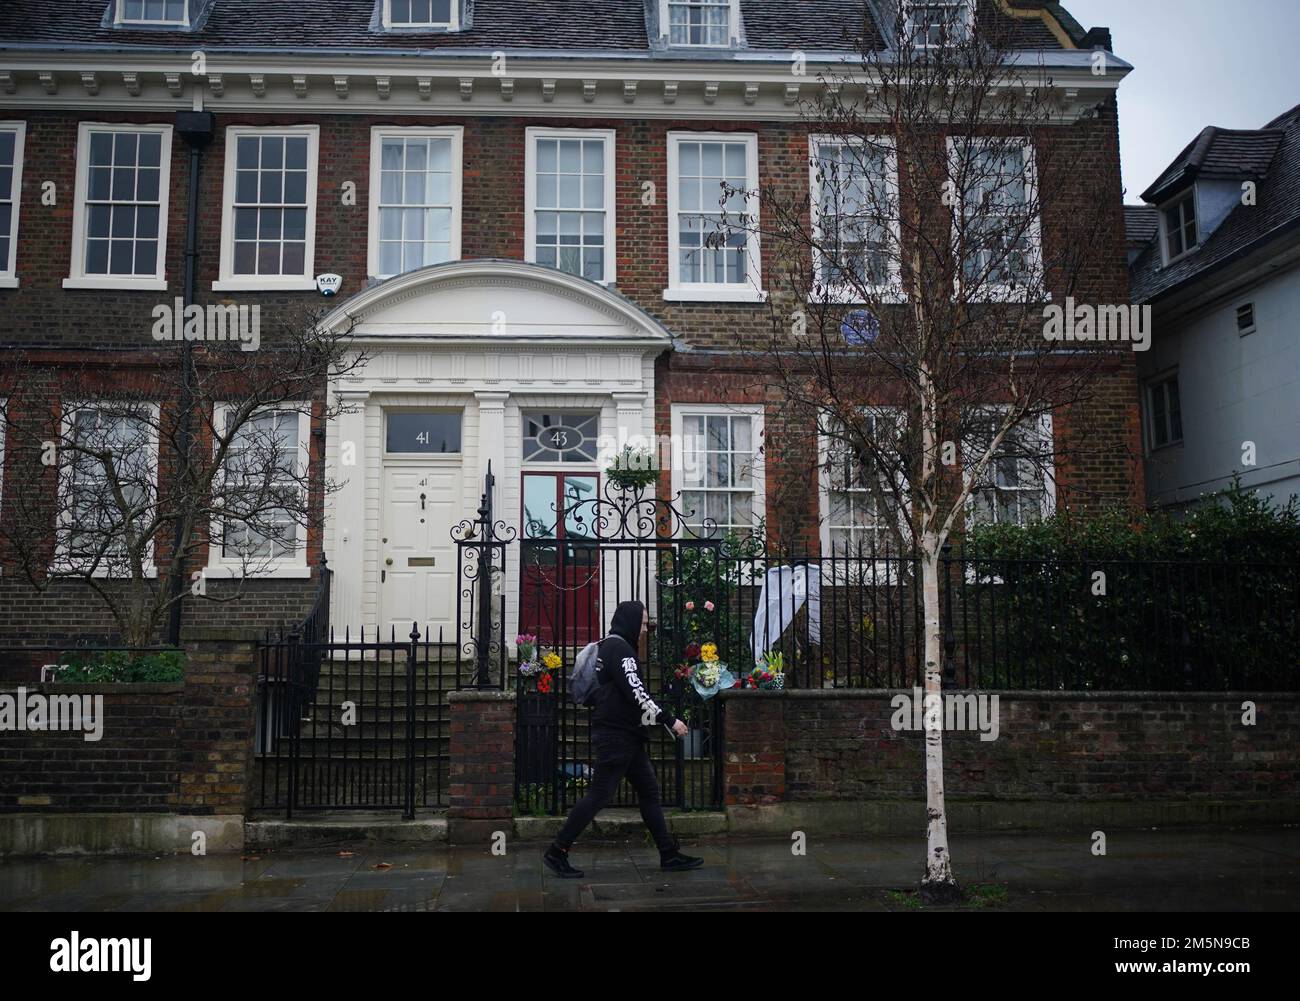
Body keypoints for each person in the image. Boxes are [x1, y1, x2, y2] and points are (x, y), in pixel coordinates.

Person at [543, 600, 704, 878]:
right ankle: (557, 851)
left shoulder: (611, 646)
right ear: (630, 621)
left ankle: (668, 853)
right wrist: (670, 720)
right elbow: (638, 693)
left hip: (626, 736)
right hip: (617, 737)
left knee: (649, 792)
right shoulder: (621, 649)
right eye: (642, 623)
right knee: (598, 796)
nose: (645, 629)